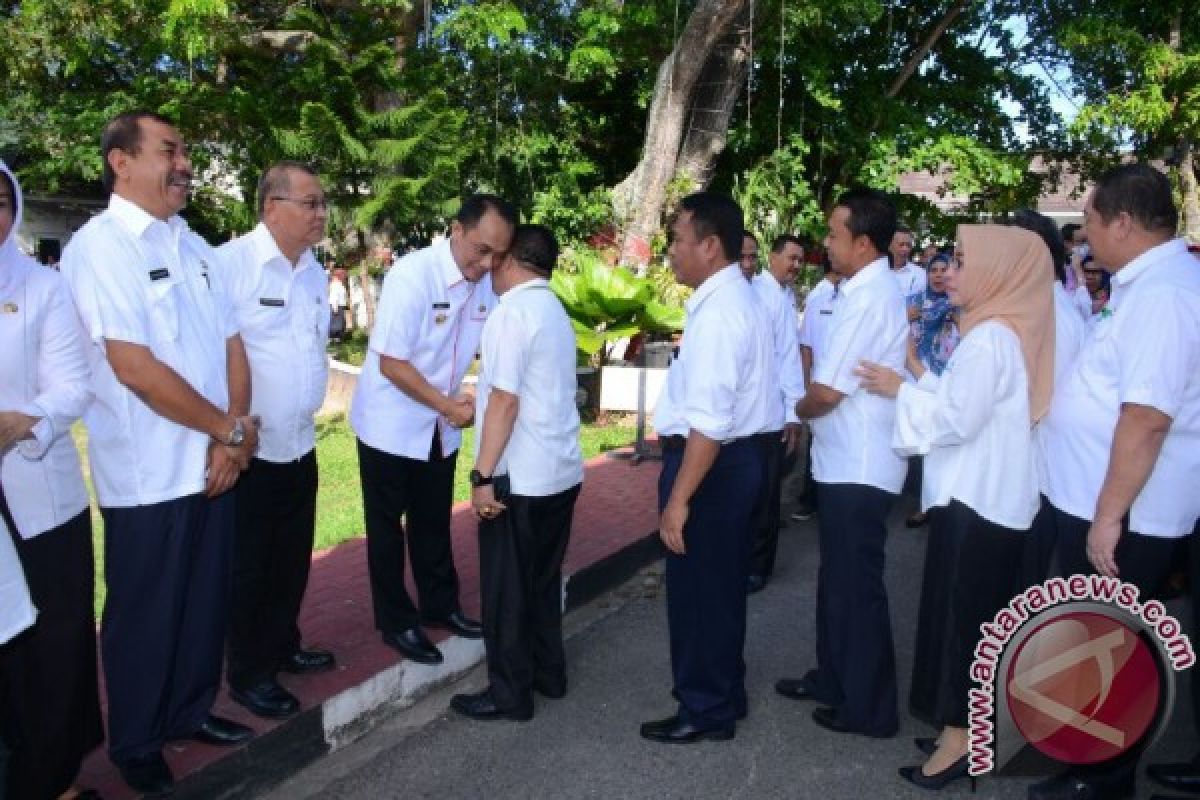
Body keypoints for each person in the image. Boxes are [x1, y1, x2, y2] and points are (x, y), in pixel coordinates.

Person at [60, 111, 260, 795]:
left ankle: (190, 711)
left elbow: (234, 343)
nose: (185, 164)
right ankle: (138, 740)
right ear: (121, 160)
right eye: (170, 151)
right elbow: (134, 368)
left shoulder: (195, 245)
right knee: (146, 613)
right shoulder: (101, 246)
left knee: (204, 603)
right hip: (148, 478)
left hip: (214, 464)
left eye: (186, 152)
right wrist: (228, 432)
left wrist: (233, 432)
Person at [858, 224, 1054, 792]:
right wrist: (913, 382)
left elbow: (956, 420)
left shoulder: (992, 336)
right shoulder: (998, 330)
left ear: (998, 273)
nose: (951, 272)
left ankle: (960, 740)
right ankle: (964, 728)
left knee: (963, 625)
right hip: (985, 498)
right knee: (968, 620)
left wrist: (902, 392)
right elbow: (959, 402)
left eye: (964, 262)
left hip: (977, 502)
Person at [1032, 165, 1200, 800]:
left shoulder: (1164, 295)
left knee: (1108, 651)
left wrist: (1108, 515)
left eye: (1094, 219)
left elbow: (1148, 417)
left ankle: (1101, 781)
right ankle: (1089, 765)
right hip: (1108, 502)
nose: (1087, 233)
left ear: (1124, 223)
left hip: (1128, 511)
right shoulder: (1148, 285)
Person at [349, 194, 516, 665]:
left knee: (432, 520)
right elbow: (391, 363)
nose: (487, 264)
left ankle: (440, 606)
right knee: (386, 530)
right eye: (481, 249)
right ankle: (397, 621)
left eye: (497, 255)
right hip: (391, 422)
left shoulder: (484, 282)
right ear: (456, 230)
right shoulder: (413, 276)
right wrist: (447, 403)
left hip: (441, 425)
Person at [640, 192, 775, 744]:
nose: (671, 250)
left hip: (710, 467)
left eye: (677, 239)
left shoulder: (721, 314)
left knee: (699, 594)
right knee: (717, 590)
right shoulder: (729, 302)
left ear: (710, 245)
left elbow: (709, 425)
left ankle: (705, 708)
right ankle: (723, 692)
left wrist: (678, 501)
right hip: (732, 462)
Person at [775, 187, 907, 739]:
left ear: (865, 242)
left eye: (834, 234)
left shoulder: (872, 297)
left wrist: (796, 410)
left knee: (856, 587)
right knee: (837, 581)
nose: (825, 243)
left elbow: (827, 392)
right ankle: (834, 677)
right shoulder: (858, 290)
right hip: (844, 459)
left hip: (860, 461)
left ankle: (870, 708)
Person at [215, 162, 336, 721]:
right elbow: (212, 357)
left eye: (322, 203)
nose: (320, 214)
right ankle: (248, 673)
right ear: (271, 206)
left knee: (291, 560)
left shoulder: (313, 270)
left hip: (300, 442)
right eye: (309, 203)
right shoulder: (229, 266)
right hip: (251, 450)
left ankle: (282, 644)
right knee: (249, 568)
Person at [449, 224, 583, 722]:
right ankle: (549, 674)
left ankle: (510, 694)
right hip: (559, 472)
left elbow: (505, 399)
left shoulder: (511, 314)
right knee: (543, 584)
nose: (486, 267)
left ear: (511, 261)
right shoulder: (552, 309)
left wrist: (481, 476)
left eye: (494, 258)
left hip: (519, 479)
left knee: (507, 592)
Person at [0, 159, 104, 800]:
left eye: (0, 200)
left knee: (55, 641)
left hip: (39, 497)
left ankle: (56, 778)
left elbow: (74, 386)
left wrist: (18, 422)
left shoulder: (42, 287)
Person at [747, 233, 805, 592]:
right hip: (753, 410)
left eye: (800, 260)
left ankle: (758, 566)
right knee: (755, 492)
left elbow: (789, 356)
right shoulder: (758, 292)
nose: (796, 266)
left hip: (771, 411)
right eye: (791, 259)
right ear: (774, 256)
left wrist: (792, 411)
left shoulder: (781, 296)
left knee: (766, 493)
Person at [900, 251, 961, 529]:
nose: (938, 275)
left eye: (943, 269)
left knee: (939, 442)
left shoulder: (959, 301)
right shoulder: (911, 301)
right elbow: (893, 328)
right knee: (918, 438)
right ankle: (921, 499)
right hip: (914, 373)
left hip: (945, 376)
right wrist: (905, 316)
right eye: (933, 270)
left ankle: (935, 502)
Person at [790, 258, 842, 523]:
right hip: (820, 384)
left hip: (844, 386)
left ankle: (832, 501)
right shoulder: (817, 298)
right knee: (816, 445)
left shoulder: (855, 299)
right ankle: (810, 499)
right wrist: (807, 385)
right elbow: (806, 347)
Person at [890, 223, 928, 297]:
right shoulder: (878, 271)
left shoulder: (920, 274)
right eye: (901, 244)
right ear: (890, 245)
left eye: (908, 245)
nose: (905, 249)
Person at [328, 267, 350, 341]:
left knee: (339, 323)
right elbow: (334, 297)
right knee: (336, 324)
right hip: (336, 306)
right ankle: (333, 340)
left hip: (338, 306)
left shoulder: (338, 284)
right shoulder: (336, 285)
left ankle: (336, 340)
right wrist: (335, 308)